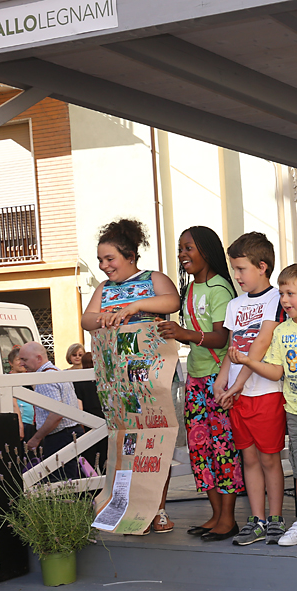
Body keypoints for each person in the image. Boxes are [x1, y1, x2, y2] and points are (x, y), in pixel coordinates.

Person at [82, 219, 181, 532]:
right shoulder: (103, 288)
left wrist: (134, 305)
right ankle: (130, 507)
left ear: (129, 256)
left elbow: (172, 301)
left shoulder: (153, 278)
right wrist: (107, 316)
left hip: (154, 376)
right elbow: (87, 320)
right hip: (120, 381)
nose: (103, 265)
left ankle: (158, 509)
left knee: (157, 440)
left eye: (109, 258)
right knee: (127, 442)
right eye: (100, 260)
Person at [157, 226, 244, 541]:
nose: (183, 255)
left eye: (189, 248)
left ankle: (228, 518)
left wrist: (185, 334)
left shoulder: (221, 288)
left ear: (206, 250)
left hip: (218, 379)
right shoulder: (191, 289)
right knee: (200, 447)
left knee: (223, 448)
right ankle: (216, 514)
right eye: (180, 249)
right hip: (195, 377)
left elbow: (224, 337)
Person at [233, 263, 297, 548]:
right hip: (296, 410)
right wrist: (249, 361)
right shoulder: (282, 331)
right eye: (282, 294)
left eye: (290, 293)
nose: (284, 300)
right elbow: (276, 371)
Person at [216, 232, 284, 547]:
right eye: (234, 269)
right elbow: (233, 347)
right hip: (236, 396)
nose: (237, 276)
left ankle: (275, 518)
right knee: (249, 458)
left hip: (264, 391)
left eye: (241, 269)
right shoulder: (234, 305)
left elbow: (260, 343)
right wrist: (222, 379)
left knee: (270, 458)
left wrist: (238, 385)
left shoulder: (275, 299)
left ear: (262, 266)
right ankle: (256, 519)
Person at [19, 342, 86, 482]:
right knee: (69, 480)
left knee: (61, 483)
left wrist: (36, 438)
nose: (21, 364)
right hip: (69, 433)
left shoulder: (46, 378)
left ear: (38, 358)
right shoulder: (56, 372)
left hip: (61, 436)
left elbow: (56, 414)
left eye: (24, 359)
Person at [74, 351, 106, 474]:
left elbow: (79, 405)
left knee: (89, 457)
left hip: (88, 421)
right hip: (104, 420)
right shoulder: (104, 380)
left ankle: (91, 485)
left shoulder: (79, 381)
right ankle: (106, 481)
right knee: (104, 454)